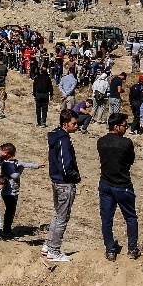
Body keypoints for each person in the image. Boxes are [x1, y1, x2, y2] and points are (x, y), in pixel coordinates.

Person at [97, 113, 140, 261]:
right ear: (116, 127)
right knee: (130, 217)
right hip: (122, 185)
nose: (126, 128)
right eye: (124, 125)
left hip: (105, 183)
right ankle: (132, 249)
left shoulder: (100, 142)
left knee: (106, 219)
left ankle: (110, 250)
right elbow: (130, 161)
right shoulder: (126, 143)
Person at [44, 109, 81, 262]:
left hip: (56, 181)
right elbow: (66, 166)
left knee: (58, 214)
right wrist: (75, 176)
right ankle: (54, 250)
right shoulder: (63, 140)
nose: (77, 126)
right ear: (65, 124)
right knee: (62, 217)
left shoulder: (56, 136)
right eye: (74, 123)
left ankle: (48, 245)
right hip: (65, 183)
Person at [0, 142, 40, 239]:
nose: (13, 157)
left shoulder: (14, 162)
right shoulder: (6, 164)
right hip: (8, 192)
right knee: (10, 212)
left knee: (11, 211)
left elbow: (25, 163)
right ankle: (6, 231)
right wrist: (21, 168)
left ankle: (8, 230)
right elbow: (14, 175)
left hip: (14, 191)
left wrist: (37, 165)